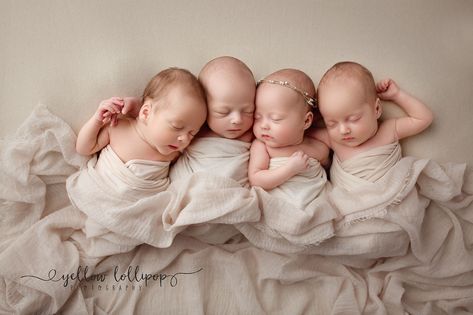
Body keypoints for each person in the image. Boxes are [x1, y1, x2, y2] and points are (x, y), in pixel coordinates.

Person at [309, 61, 434, 187]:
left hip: (392, 198)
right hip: (350, 204)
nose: (343, 130)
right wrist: (316, 116)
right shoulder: (333, 139)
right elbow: (302, 131)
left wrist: (397, 95)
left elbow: (424, 118)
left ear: (377, 109)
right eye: (331, 123)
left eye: (354, 119)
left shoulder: (389, 130)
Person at [76, 67, 207, 165]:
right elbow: (84, 149)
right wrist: (97, 120)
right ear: (145, 113)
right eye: (176, 126)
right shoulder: (118, 128)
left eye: (192, 133)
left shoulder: (175, 155)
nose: (184, 139)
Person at [248, 68, 329, 191]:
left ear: (306, 121)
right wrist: (290, 169)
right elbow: (256, 179)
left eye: (276, 119)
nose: (263, 125)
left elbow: (329, 174)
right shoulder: (263, 147)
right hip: (280, 200)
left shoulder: (318, 148)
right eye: (257, 117)